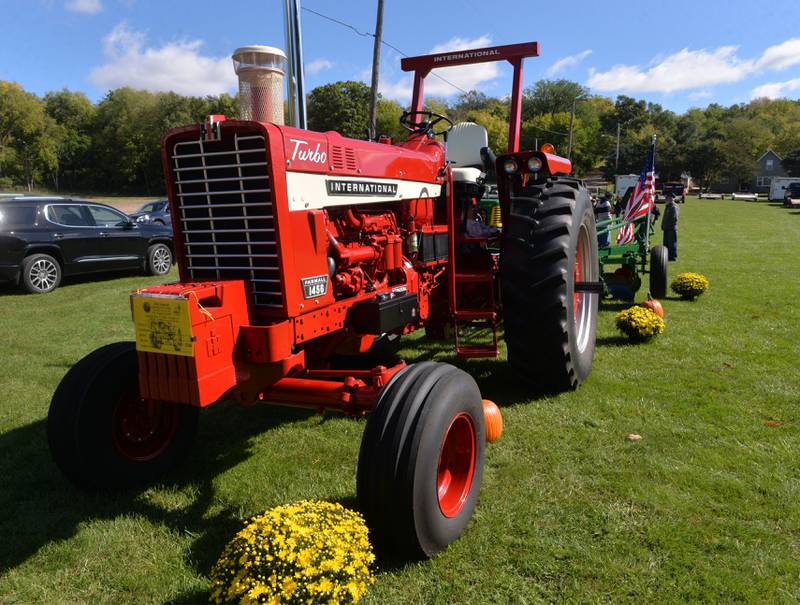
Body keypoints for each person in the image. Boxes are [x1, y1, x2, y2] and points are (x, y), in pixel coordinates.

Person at [661, 193, 679, 261]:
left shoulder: (674, 207)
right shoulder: (668, 206)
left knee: (672, 243)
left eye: (667, 198)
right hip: (667, 228)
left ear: (671, 198)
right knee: (666, 243)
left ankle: (673, 257)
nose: (665, 199)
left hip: (671, 229)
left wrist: (668, 225)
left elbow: (674, 219)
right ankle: (667, 256)